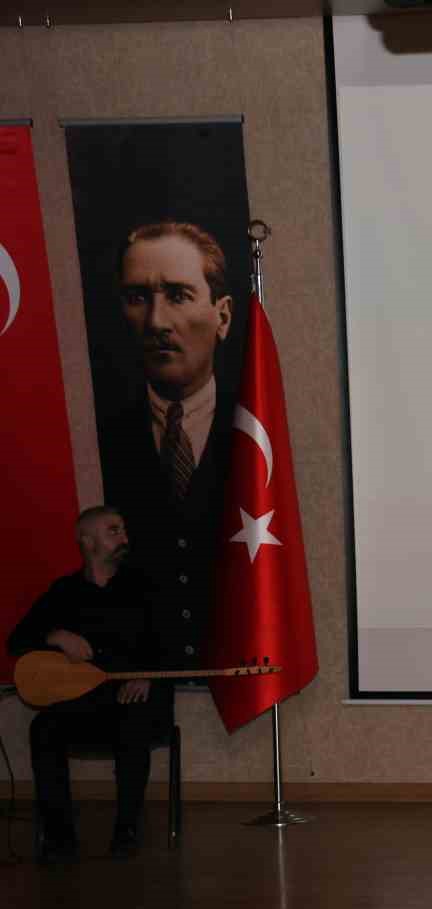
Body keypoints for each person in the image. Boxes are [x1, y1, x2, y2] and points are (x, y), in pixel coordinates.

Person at [98, 221, 235, 671]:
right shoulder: (97, 438)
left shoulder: (257, 440)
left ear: (223, 316)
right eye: (138, 298)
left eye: (178, 295)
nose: (156, 321)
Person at [8, 507, 175, 862]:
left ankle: (126, 830)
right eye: (114, 531)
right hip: (82, 704)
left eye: (124, 530)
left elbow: (171, 644)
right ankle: (58, 837)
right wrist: (56, 635)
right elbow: (17, 641)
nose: (125, 538)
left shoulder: (144, 586)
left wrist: (146, 673)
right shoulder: (65, 591)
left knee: (133, 725)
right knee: (44, 729)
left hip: (137, 701)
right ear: (87, 541)